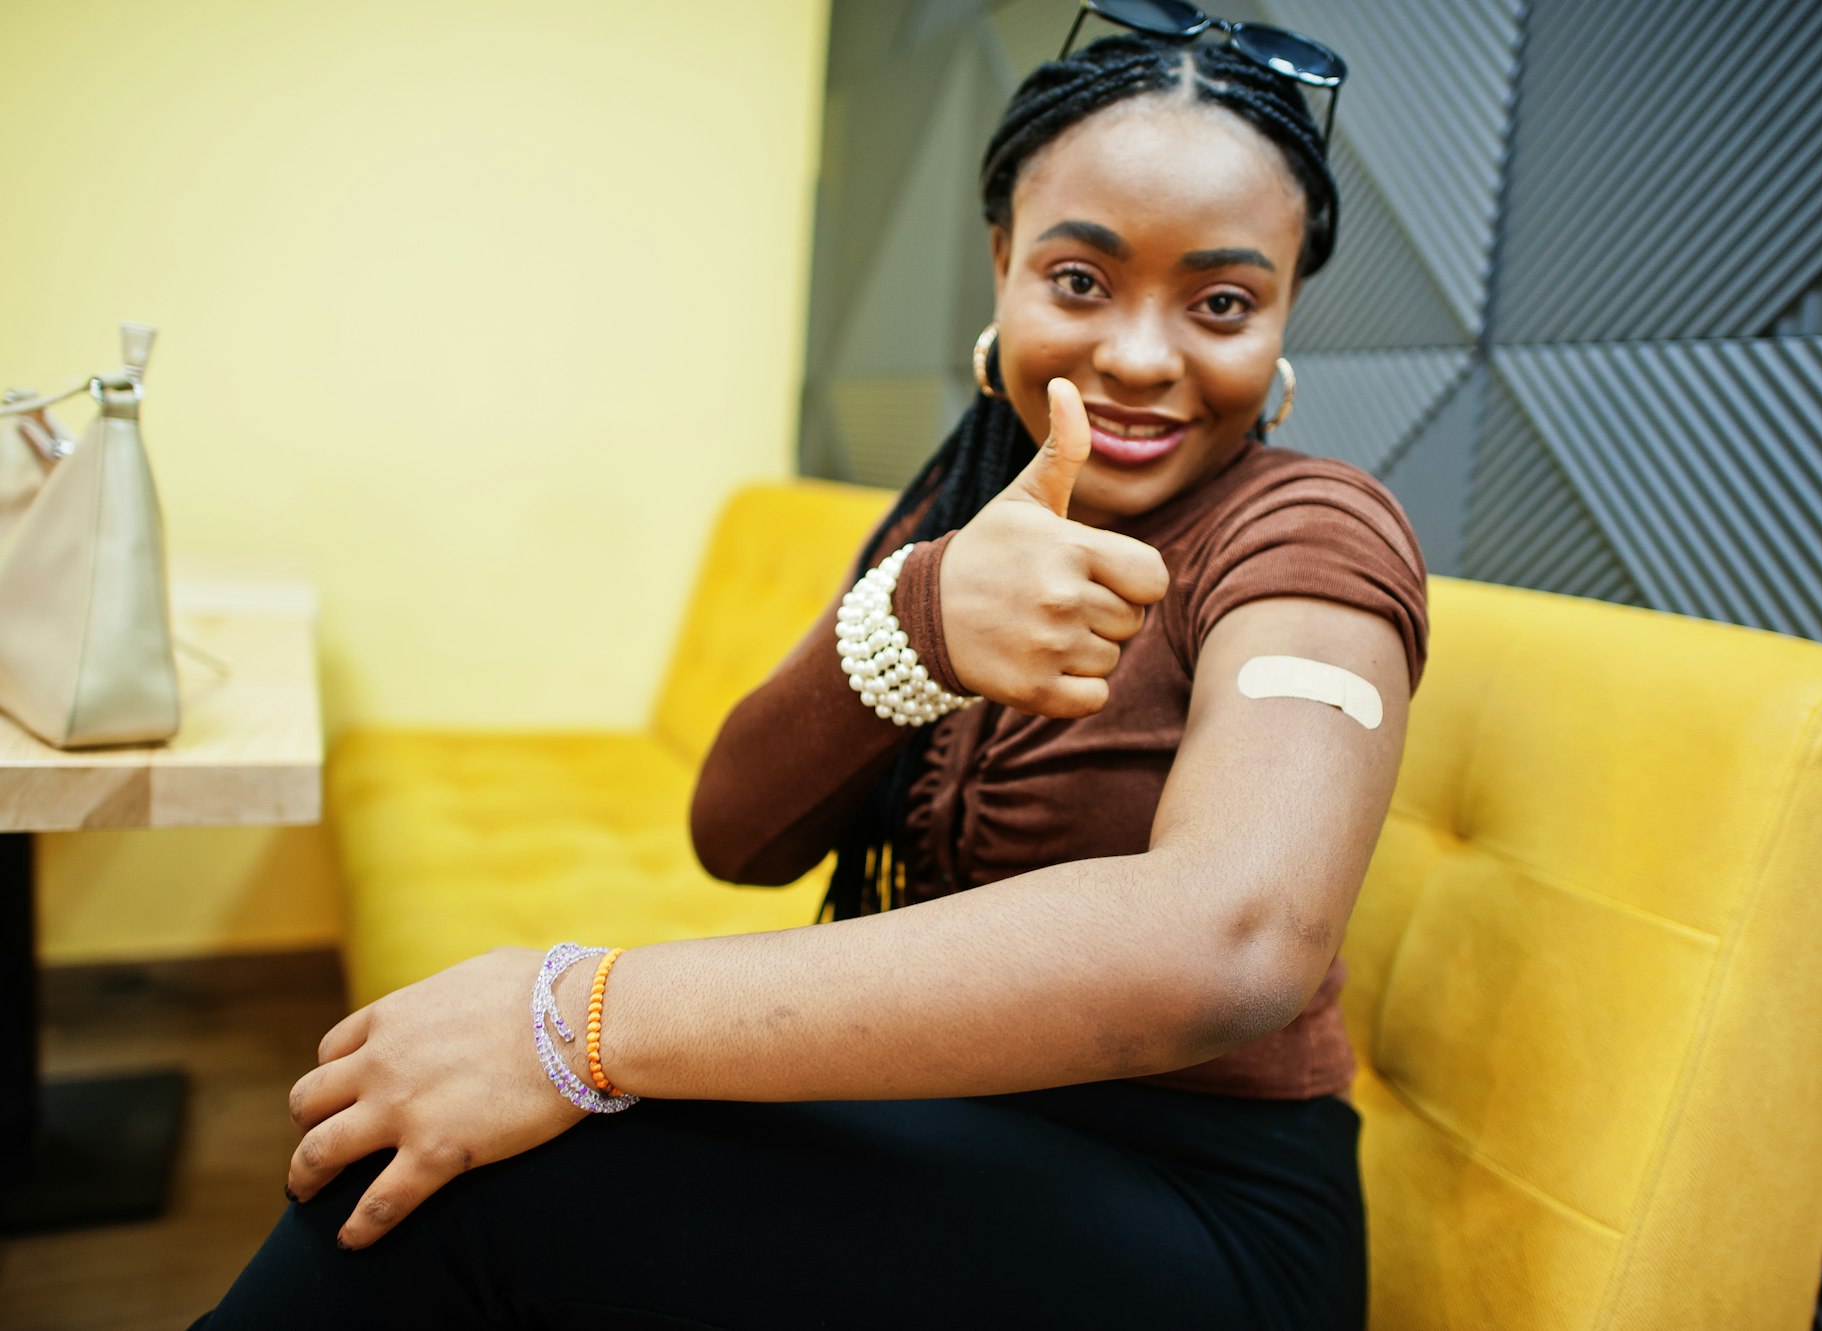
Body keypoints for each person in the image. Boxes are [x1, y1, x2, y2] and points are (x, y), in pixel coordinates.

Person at [192, 17, 1426, 1331]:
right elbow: (738, 835)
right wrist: (923, 617)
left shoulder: (1309, 534)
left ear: (1287, 315)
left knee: (470, 1181)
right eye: (1079, 280)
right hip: (957, 1128)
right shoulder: (957, 518)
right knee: (455, 1156)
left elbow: (1231, 945)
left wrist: (575, 1016)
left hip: (1196, 1216)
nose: (1138, 354)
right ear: (1004, 262)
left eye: (1222, 303)